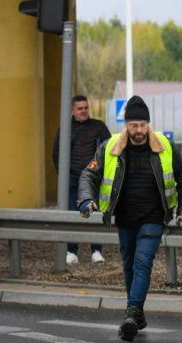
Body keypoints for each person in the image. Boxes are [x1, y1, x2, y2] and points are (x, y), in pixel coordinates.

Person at [77, 96, 182, 342]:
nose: (138, 131)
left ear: (148, 124)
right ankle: (137, 314)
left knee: (142, 263)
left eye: (142, 125)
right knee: (129, 265)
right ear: (126, 125)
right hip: (124, 218)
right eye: (133, 125)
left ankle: (130, 313)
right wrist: (86, 200)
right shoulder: (110, 147)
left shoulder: (165, 145)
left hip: (153, 217)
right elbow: (89, 174)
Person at [53, 95, 111, 264]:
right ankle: (71, 252)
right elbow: (56, 153)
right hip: (71, 179)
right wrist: (63, 176)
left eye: (86, 107)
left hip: (94, 179)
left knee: (96, 214)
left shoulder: (99, 127)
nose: (84, 111)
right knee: (72, 214)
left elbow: (109, 150)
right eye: (80, 108)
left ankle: (96, 251)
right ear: (73, 110)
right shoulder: (65, 128)